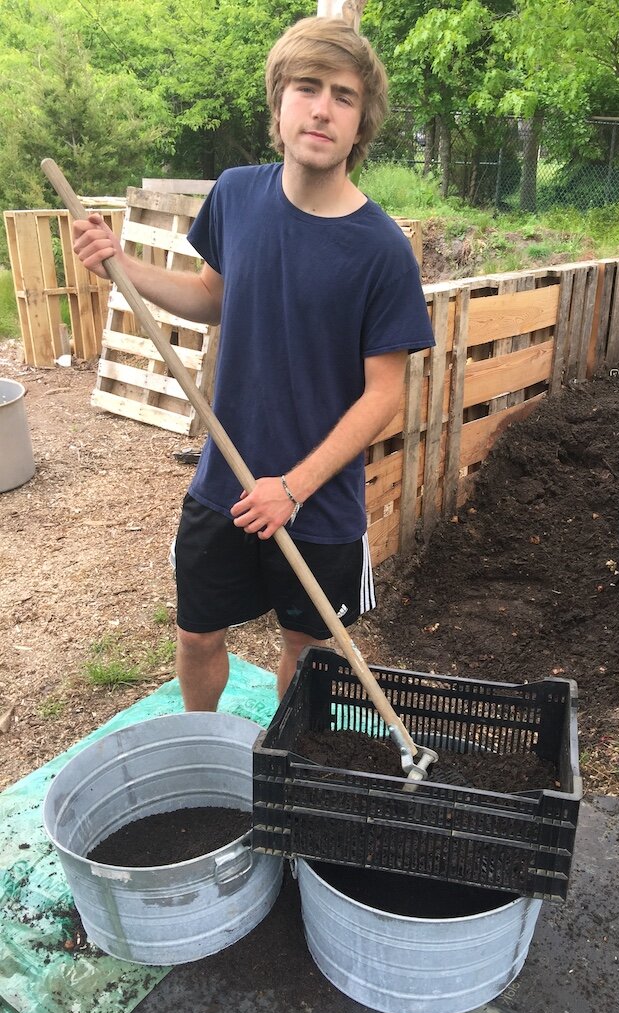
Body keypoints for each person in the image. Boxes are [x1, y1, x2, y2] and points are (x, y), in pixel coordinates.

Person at [72, 16, 435, 707]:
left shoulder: (382, 248)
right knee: (198, 633)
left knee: (306, 651)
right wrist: (125, 267)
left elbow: (383, 393)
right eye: (307, 88)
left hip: (321, 504)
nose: (323, 108)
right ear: (279, 105)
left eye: (344, 96)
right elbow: (212, 293)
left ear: (362, 126)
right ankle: (202, 752)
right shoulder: (237, 195)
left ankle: (283, 771)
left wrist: (292, 488)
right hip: (225, 483)